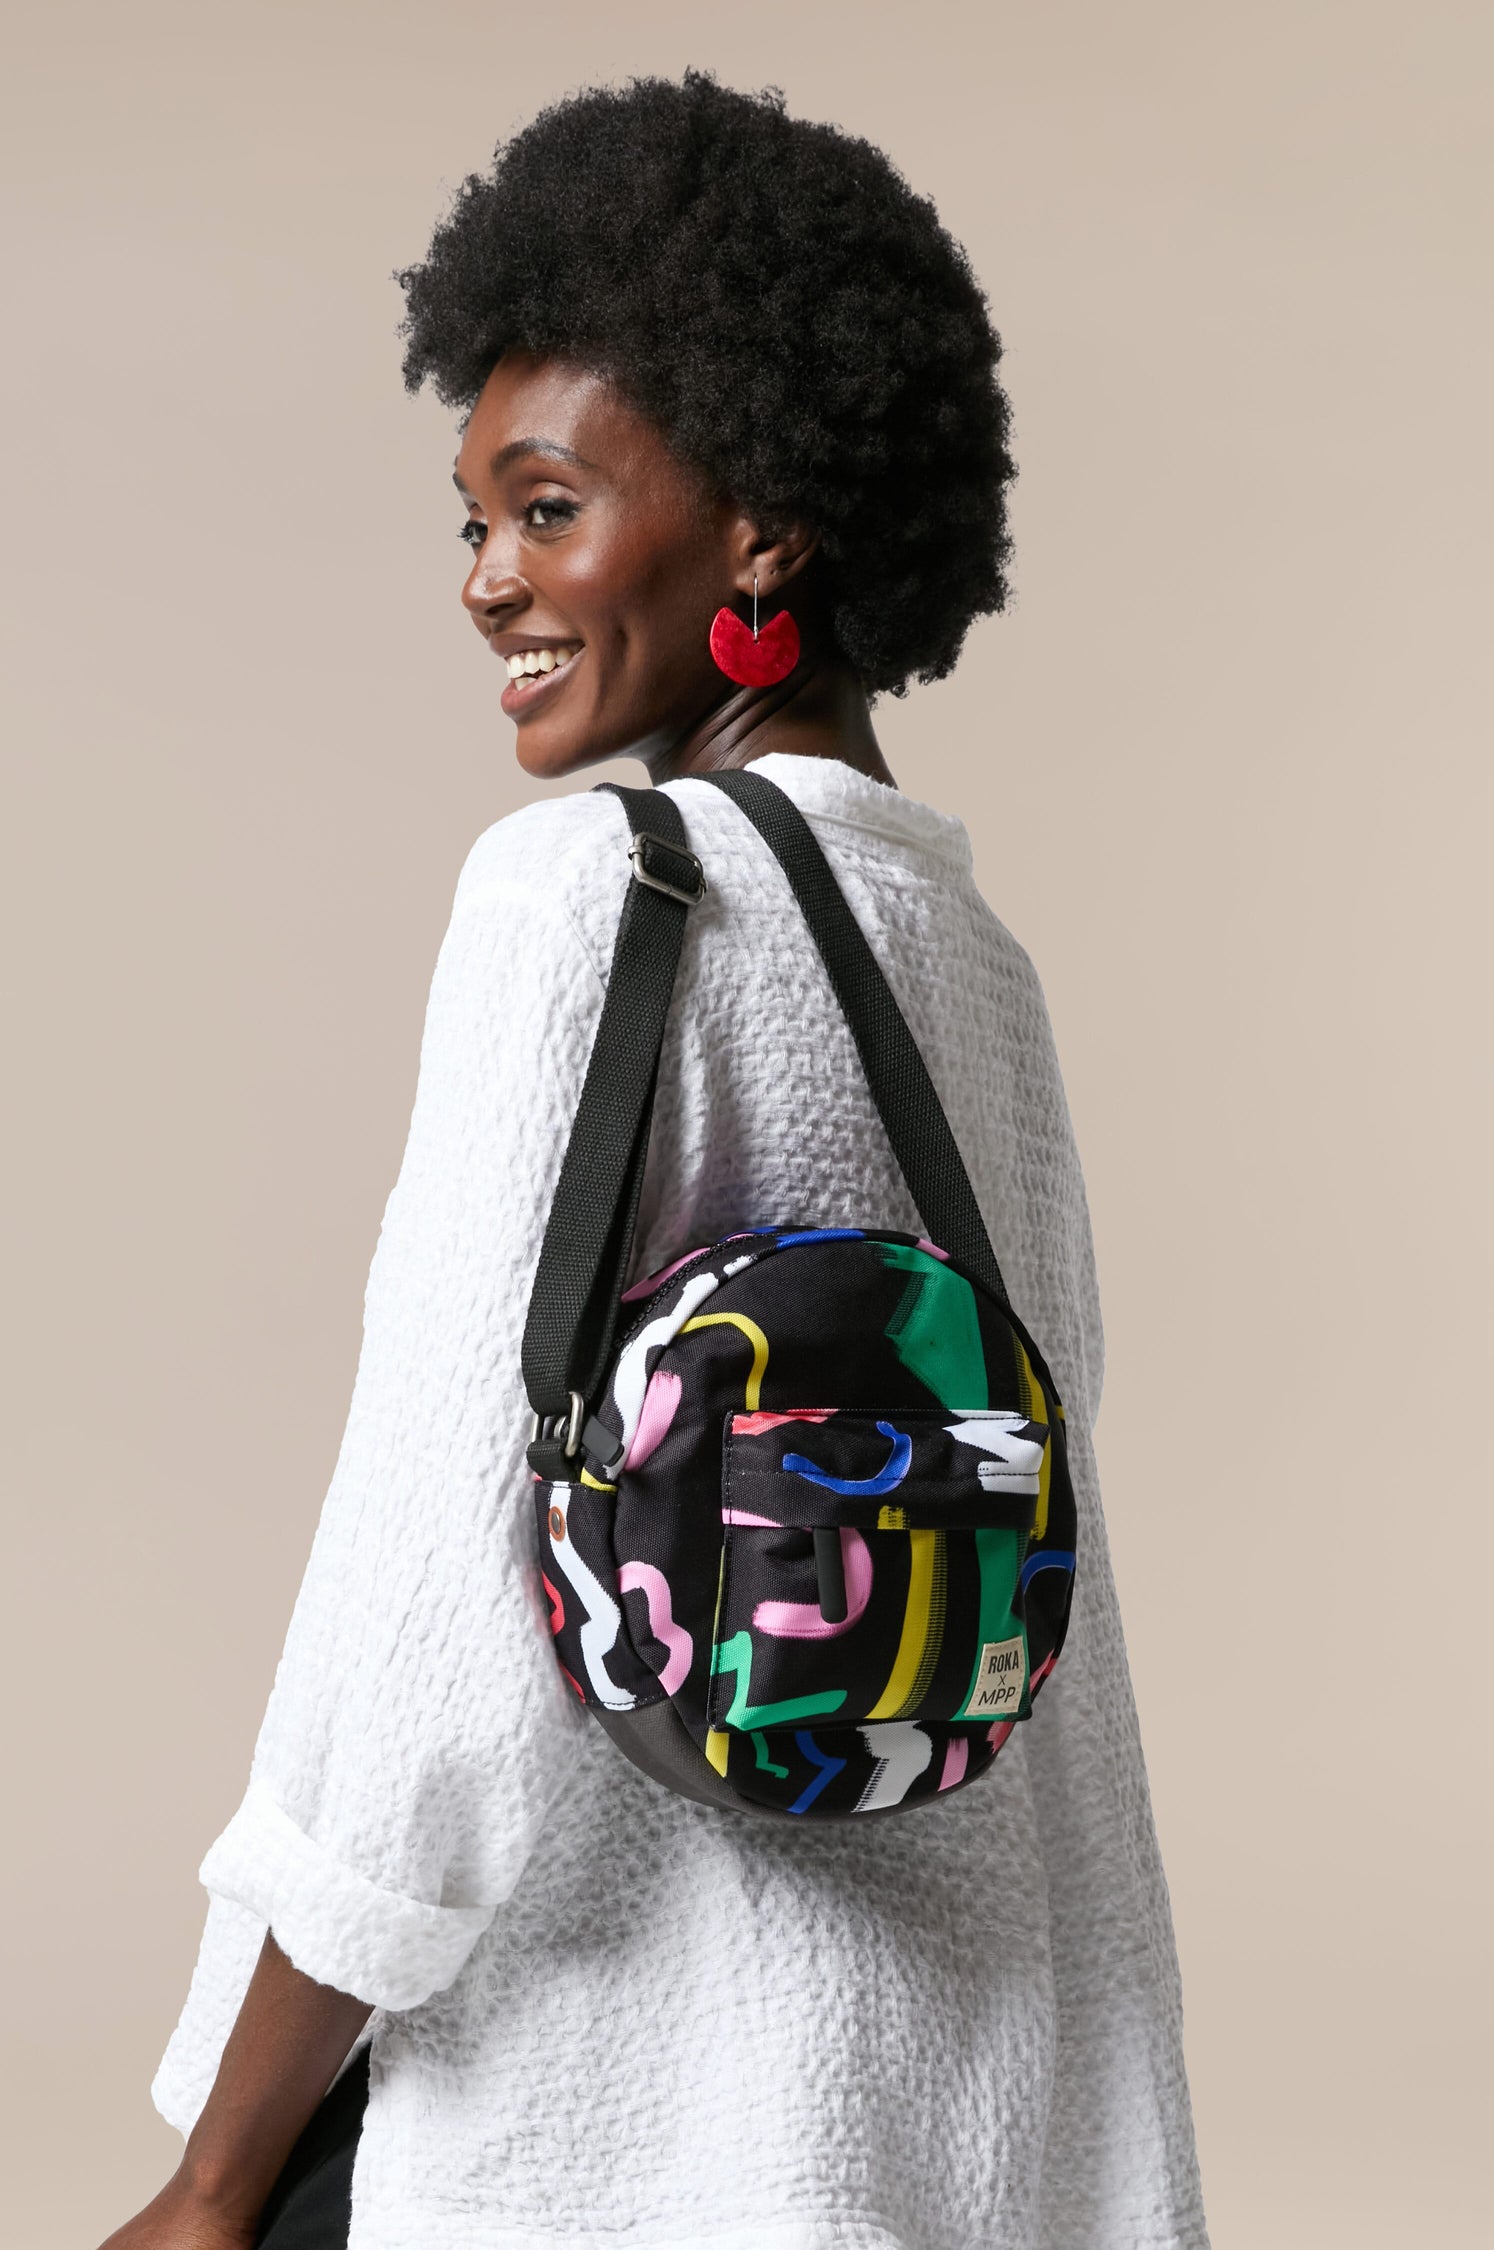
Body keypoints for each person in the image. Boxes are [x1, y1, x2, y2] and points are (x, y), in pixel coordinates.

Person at [102, 72, 1208, 2250]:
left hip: (630, 2119)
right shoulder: (972, 958)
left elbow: (438, 1626)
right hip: (976, 2116)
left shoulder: (582, 896)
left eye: (542, 508)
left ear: (766, 530)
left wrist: (219, 2178)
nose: (486, 582)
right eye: (473, 522)